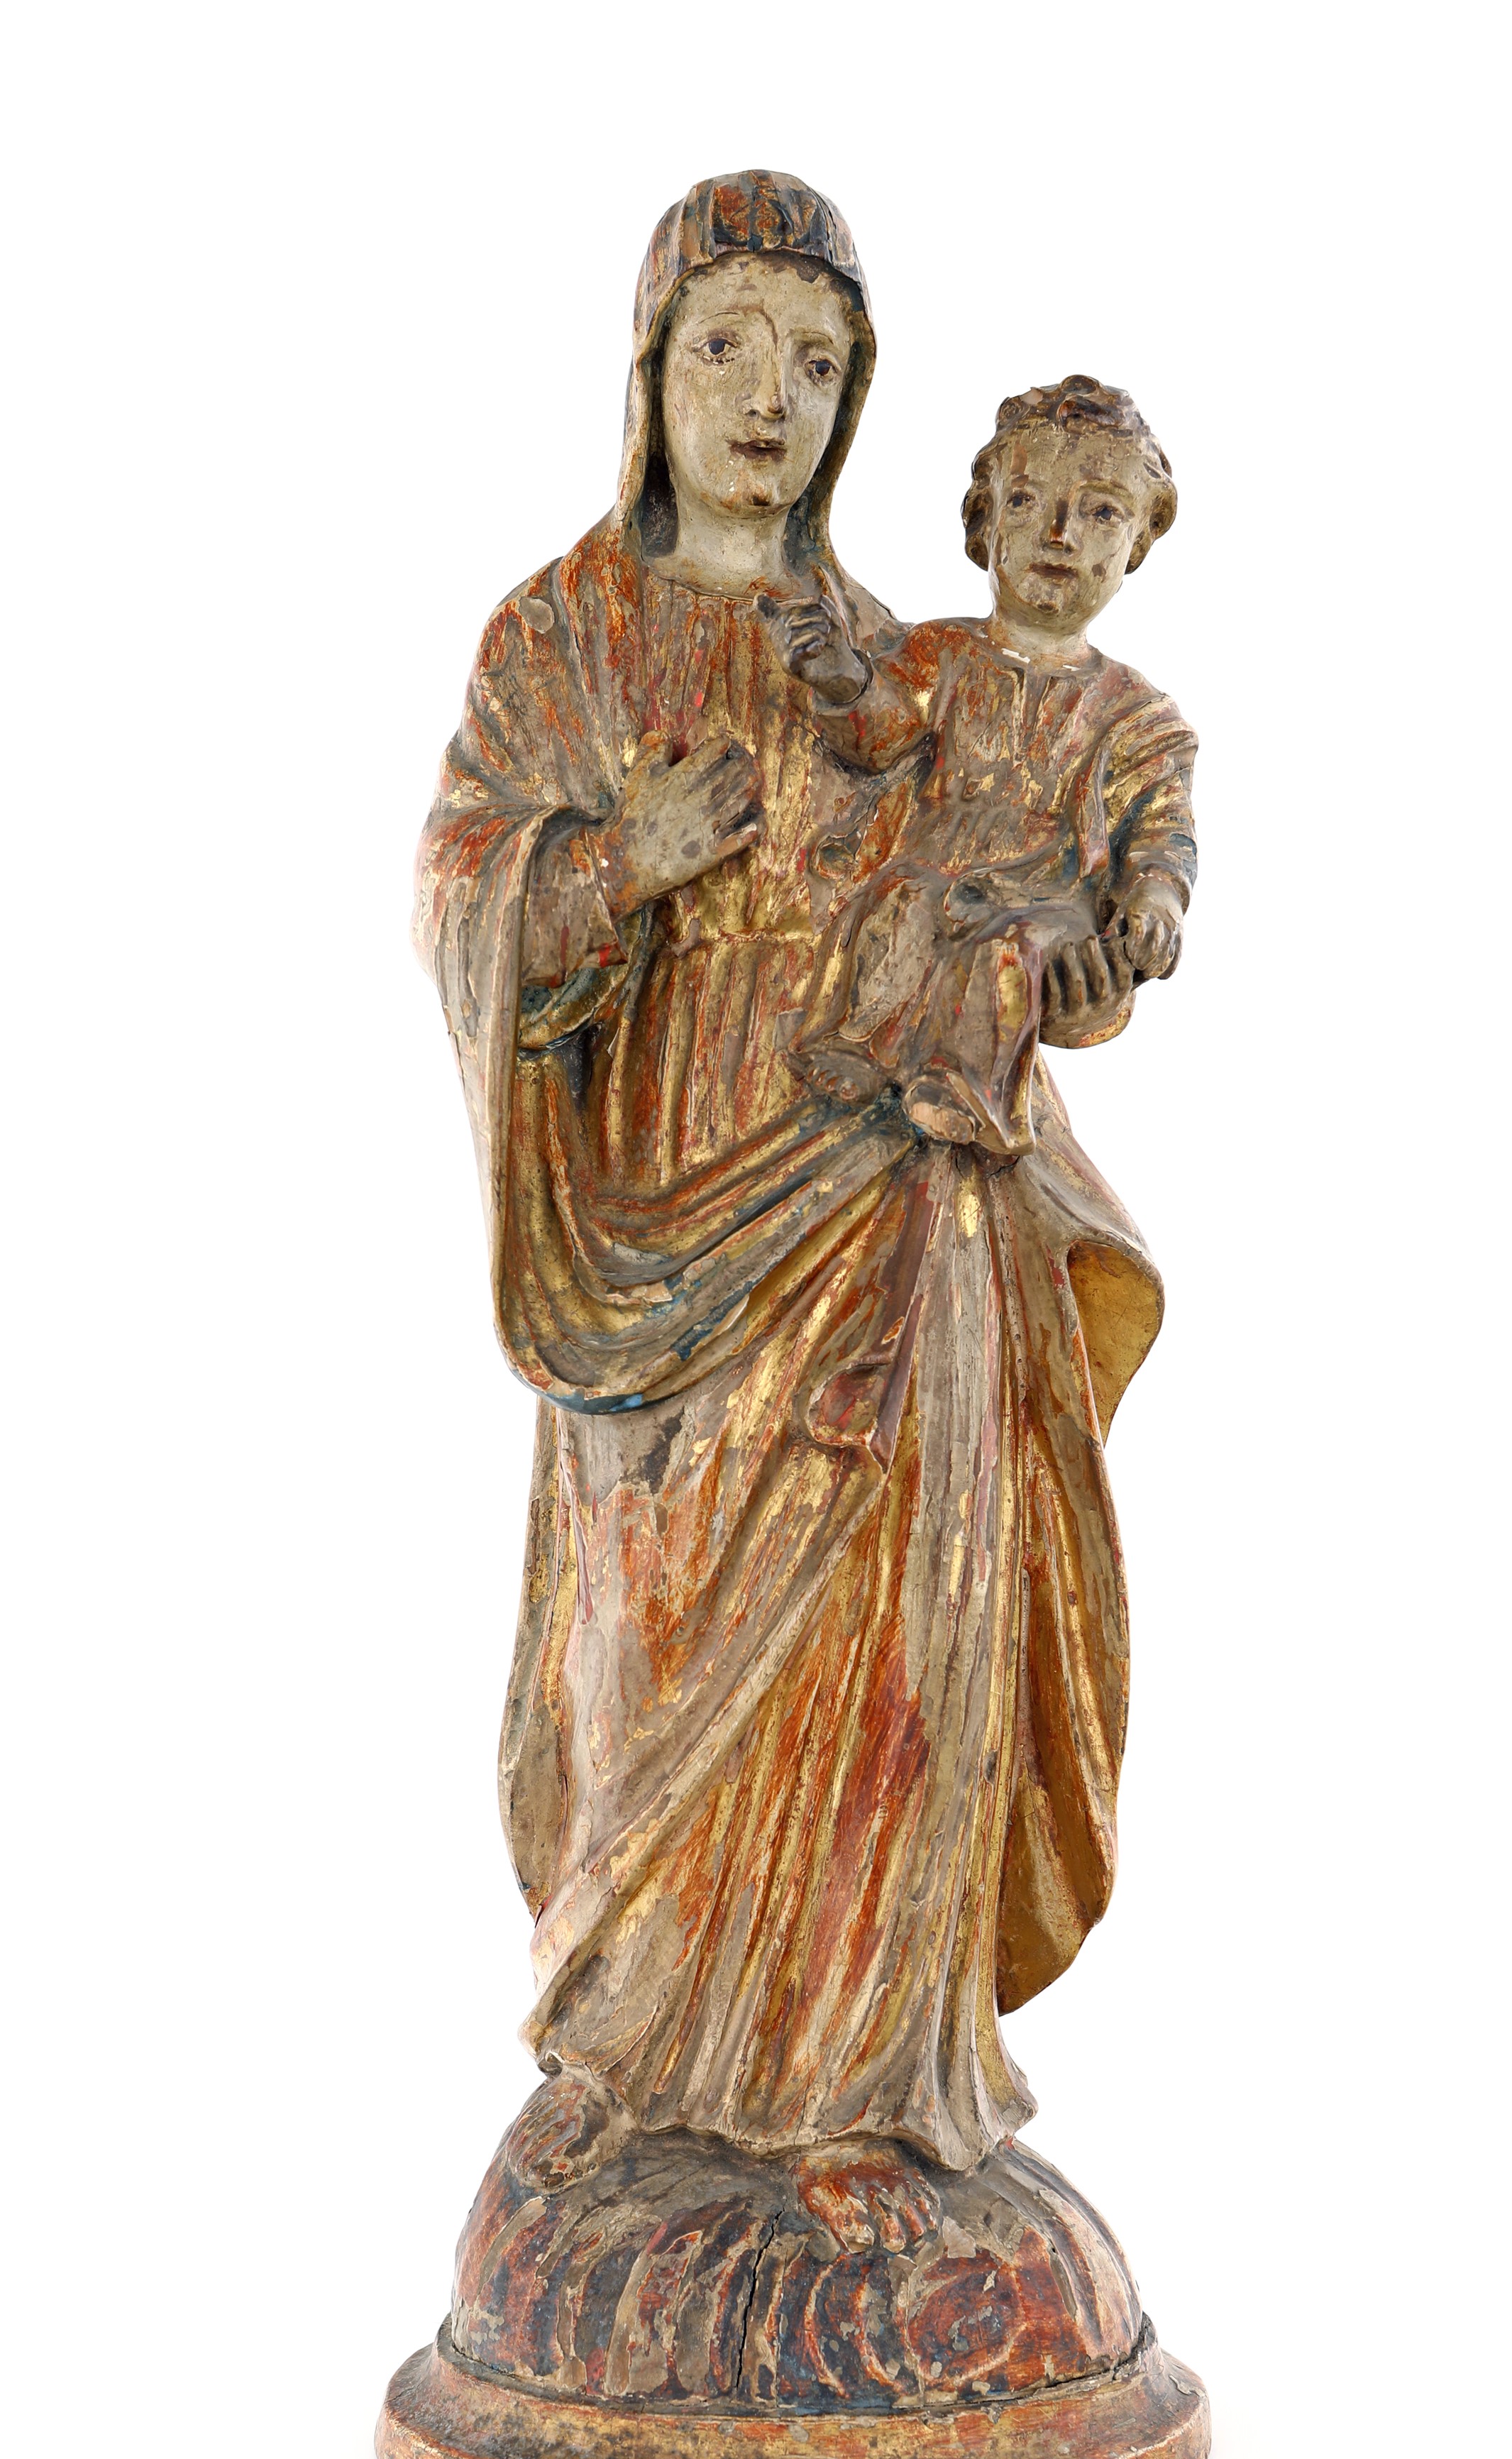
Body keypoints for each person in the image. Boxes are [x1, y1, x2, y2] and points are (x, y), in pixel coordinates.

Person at [414, 180, 1167, 2236]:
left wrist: (1075, 930)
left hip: (896, 1221)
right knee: (649, 1641)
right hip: (654, 1229)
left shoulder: (896, 661)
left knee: (883, 1659)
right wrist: (611, 861)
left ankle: (856, 2085)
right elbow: (463, 888)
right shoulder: (560, 632)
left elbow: (1031, 875)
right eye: (730, 347)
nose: (773, 398)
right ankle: (628, 2052)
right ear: (652, 367)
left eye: (819, 361)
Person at [756, 374, 1197, 1161]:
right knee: (899, 904)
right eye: (1027, 502)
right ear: (984, 523)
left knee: (1008, 956)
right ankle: (861, 1045)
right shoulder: (939, 652)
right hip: (934, 867)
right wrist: (841, 678)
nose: (1059, 535)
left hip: (1045, 903)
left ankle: (968, 1091)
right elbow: (883, 732)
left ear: (1137, 542)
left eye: (1100, 513)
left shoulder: (1139, 717)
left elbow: (1162, 835)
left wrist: (1153, 905)